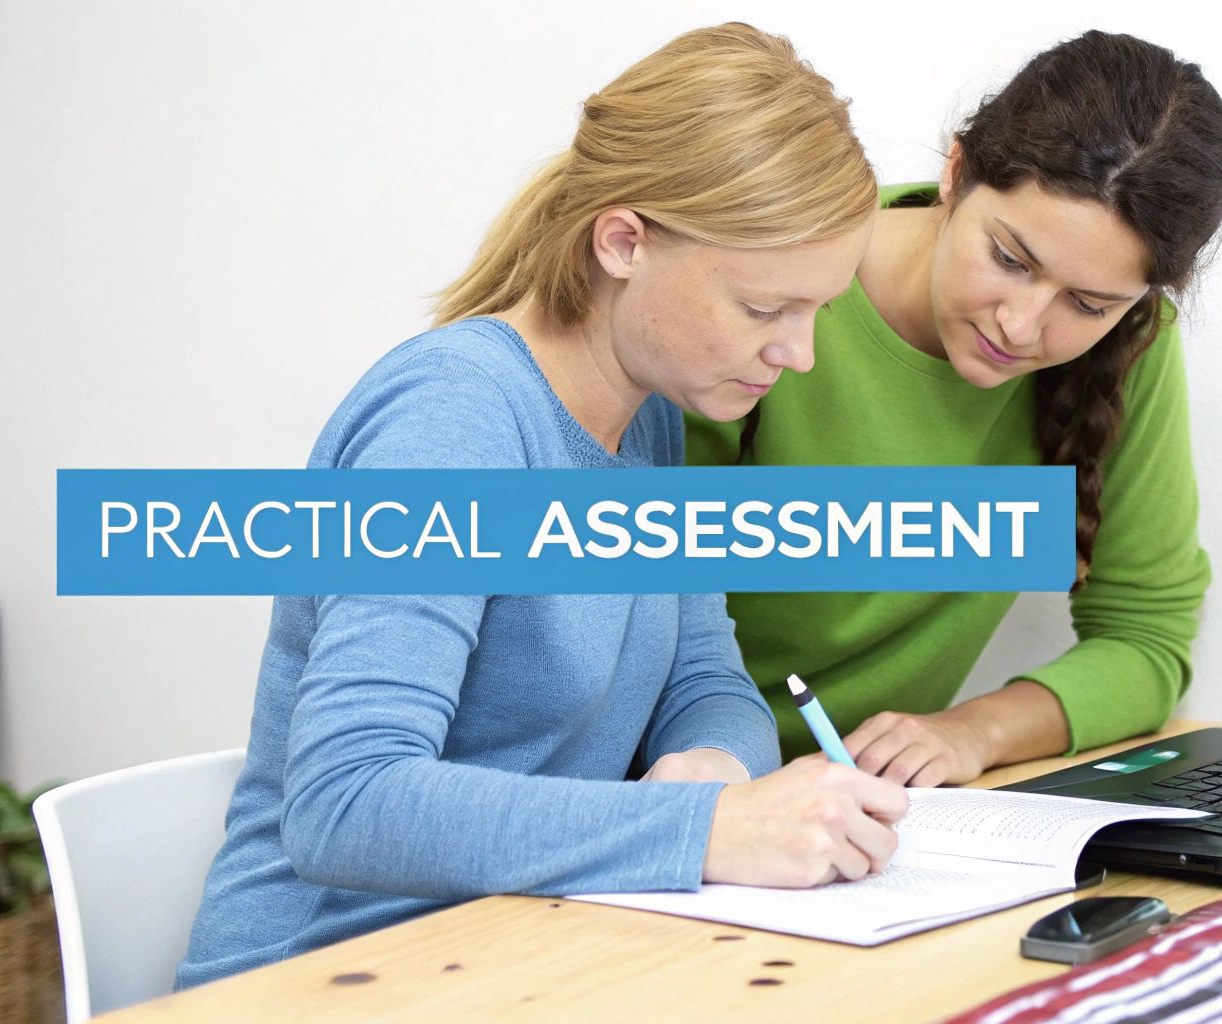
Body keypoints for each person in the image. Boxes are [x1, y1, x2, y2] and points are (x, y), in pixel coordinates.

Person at [179, 23, 903, 988]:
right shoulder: (453, 423)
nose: (798, 354)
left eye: (818, 311)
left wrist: (717, 770)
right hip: (327, 975)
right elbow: (345, 801)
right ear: (623, 242)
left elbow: (707, 682)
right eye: (764, 310)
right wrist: (701, 829)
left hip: (524, 951)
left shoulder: (648, 420)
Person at [687, 31, 1222, 787]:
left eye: (1088, 302)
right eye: (1010, 260)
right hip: (683, 785)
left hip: (869, 813)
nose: (1022, 325)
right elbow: (614, 607)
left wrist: (970, 733)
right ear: (955, 172)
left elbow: (1146, 637)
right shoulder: (776, 282)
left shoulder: (1130, 347)